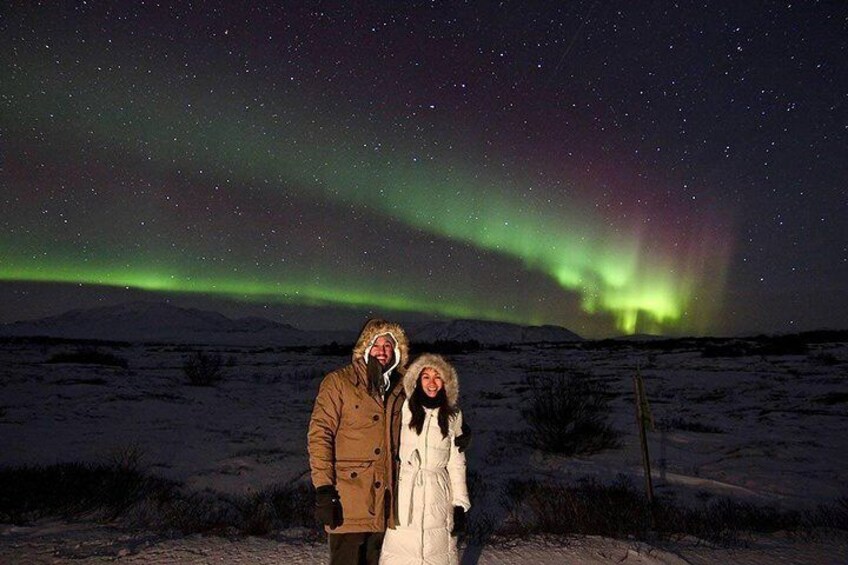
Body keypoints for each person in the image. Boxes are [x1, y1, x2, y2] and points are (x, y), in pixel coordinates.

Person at [308, 318, 409, 565]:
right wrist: (324, 489)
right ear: (365, 346)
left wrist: (453, 429)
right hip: (348, 500)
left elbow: (424, 418)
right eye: (377, 343)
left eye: (389, 345)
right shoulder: (338, 382)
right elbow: (320, 434)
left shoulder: (400, 388)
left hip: (385, 502)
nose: (383, 350)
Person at [379, 353, 470, 565]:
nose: (431, 383)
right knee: (400, 554)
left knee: (437, 553)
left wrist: (460, 504)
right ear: (417, 380)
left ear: (446, 382)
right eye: (426, 376)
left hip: (438, 494)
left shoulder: (453, 416)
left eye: (437, 376)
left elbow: (457, 463)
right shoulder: (402, 409)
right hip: (405, 493)